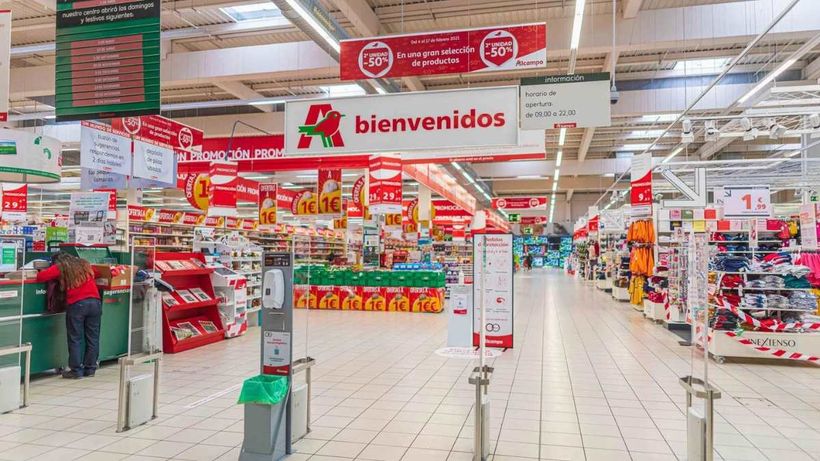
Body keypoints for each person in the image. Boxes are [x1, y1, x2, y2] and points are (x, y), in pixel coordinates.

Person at [36, 252, 102, 379]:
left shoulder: (60, 267)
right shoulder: (84, 264)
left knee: (75, 338)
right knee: (93, 338)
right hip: (95, 302)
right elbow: (98, 273)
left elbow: (41, 277)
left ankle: (76, 371)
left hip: (78, 304)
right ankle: (90, 369)